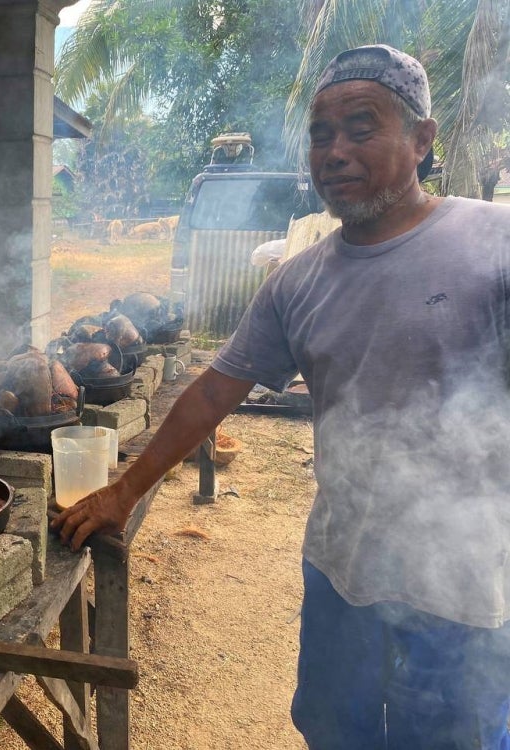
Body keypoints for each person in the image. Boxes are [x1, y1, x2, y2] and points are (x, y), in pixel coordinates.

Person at [52, 44, 510, 749]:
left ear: (423, 140)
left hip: (466, 583)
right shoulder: (298, 282)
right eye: (321, 134)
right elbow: (212, 394)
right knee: (334, 733)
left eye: (362, 127)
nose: (335, 151)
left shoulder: (494, 244)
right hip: (341, 566)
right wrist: (124, 492)